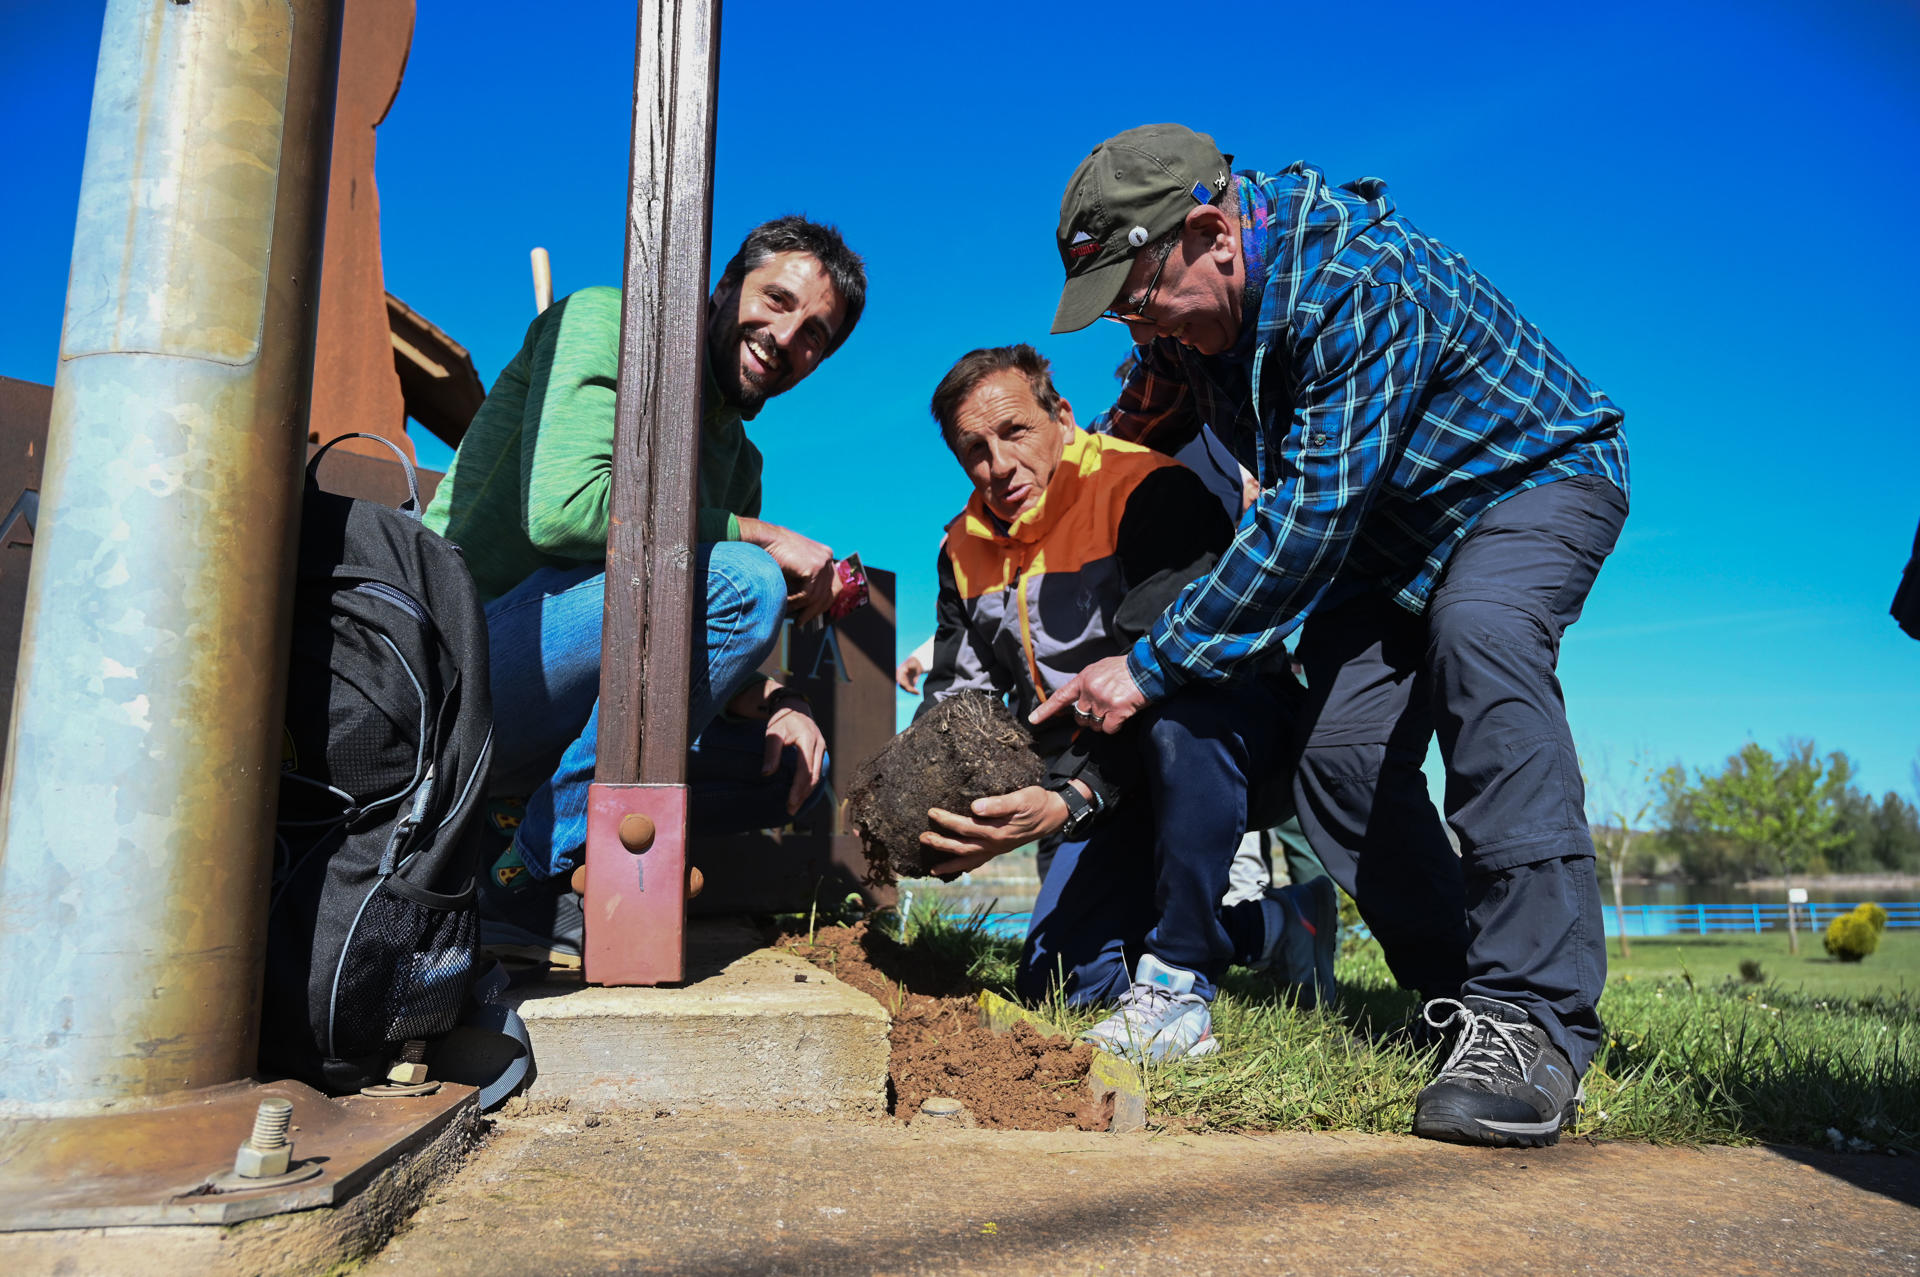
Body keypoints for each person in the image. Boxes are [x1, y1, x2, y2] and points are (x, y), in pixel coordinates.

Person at [1036, 125, 1630, 1147]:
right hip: (1389, 542)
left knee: (1479, 636)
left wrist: (1148, 663)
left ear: (1213, 232)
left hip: (1526, 483)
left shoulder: (1360, 281)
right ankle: (1462, 992)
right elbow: (1140, 419)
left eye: (1138, 299)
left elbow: (1309, 519)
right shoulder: (1188, 322)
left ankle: (1533, 1018)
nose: (1139, 326)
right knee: (1337, 758)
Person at [425, 216, 867, 968]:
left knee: (784, 769)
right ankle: (525, 874)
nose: (788, 336)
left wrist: (777, 703)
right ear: (725, 286)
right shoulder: (611, 322)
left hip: (567, 690)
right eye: (777, 299)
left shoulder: (740, 458)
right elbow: (564, 512)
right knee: (746, 577)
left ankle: (515, 827)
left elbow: (689, 636)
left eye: (816, 335)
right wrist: (761, 536)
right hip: (462, 665)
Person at [914, 343, 1335, 1063]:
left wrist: (1071, 796)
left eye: (1014, 431)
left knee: (1176, 719)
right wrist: (932, 805)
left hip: (1220, 741)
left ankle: (1179, 984)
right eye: (973, 449)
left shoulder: (1148, 489)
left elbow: (1176, 676)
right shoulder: (961, 548)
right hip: (1100, 776)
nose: (999, 465)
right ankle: (1281, 926)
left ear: (1062, 415)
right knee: (1068, 983)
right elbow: (958, 694)